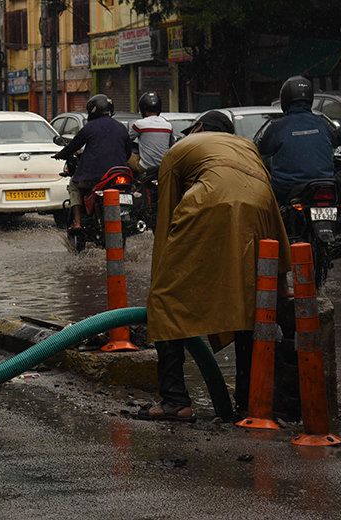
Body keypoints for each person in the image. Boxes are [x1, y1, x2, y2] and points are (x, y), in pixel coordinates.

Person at [141, 110, 291, 422]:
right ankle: (250, 405)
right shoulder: (247, 147)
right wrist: (280, 276)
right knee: (250, 302)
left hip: (208, 201)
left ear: (197, 128)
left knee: (166, 301)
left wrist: (162, 277)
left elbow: (166, 215)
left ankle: (174, 401)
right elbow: (270, 202)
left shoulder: (180, 149)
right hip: (259, 208)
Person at [53, 94, 131, 230]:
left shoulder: (90, 127)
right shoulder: (121, 127)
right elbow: (128, 152)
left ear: (93, 110)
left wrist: (61, 154)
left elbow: (74, 145)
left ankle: (77, 222)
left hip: (95, 176)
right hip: (119, 173)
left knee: (74, 185)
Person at [257, 75, 336, 203]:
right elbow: (333, 146)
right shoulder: (322, 123)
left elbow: (259, 154)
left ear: (285, 98)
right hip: (324, 184)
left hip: (288, 188)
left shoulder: (278, 127)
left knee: (266, 203)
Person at [129, 91, 173, 174]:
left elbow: (127, 140)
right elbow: (172, 145)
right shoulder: (168, 126)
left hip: (145, 167)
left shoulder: (139, 124)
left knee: (127, 156)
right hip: (163, 167)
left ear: (142, 109)